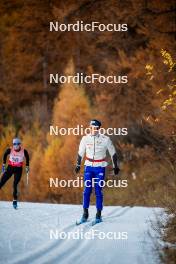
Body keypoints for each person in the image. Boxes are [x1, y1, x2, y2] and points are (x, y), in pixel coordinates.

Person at [75, 119, 120, 224]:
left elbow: (113, 153)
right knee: (87, 190)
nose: (93, 130)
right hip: (88, 167)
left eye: (95, 128)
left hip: (100, 167)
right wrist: (78, 164)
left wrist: (115, 166)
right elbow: (80, 152)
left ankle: (98, 215)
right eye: (91, 128)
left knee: (98, 191)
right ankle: (85, 214)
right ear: (89, 128)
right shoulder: (85, 139)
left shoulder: (106, 139)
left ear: (99, 129)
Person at [0, 138, 30, 209]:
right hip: (10, 168)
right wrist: (4, 164)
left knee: (15, 184)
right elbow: (4, 155)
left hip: (18, 169)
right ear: (13, 145)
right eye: (14, 144)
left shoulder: (23, 151)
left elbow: (27, 157)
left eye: (17, 144)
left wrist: (27, 166)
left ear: (20, 144)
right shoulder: (10, 150)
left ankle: (15, 200)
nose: (16, 146)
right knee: (1, 182)